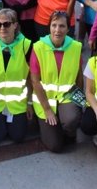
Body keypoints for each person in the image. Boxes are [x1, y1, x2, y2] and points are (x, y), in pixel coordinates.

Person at [31, 11, 83, 152]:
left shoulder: (76, 47)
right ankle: (46, 123)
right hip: (45, 100)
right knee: (56, 146)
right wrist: (47, 110)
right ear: (49, 27)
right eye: (54, 25)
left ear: (68, 29)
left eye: (62, 26)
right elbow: (35, 81)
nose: (57, 30)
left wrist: (80, 104)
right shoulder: (38, 47)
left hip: (66, 98)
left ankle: (67, 127)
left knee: (72, 120)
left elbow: (79, 77)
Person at [0, 8, 33, 144]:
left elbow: (30, 78)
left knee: (17, 137)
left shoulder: (26, 46)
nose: (2, 28)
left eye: (7, 24)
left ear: (15, 25)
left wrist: (29, 103)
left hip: (17, 103)